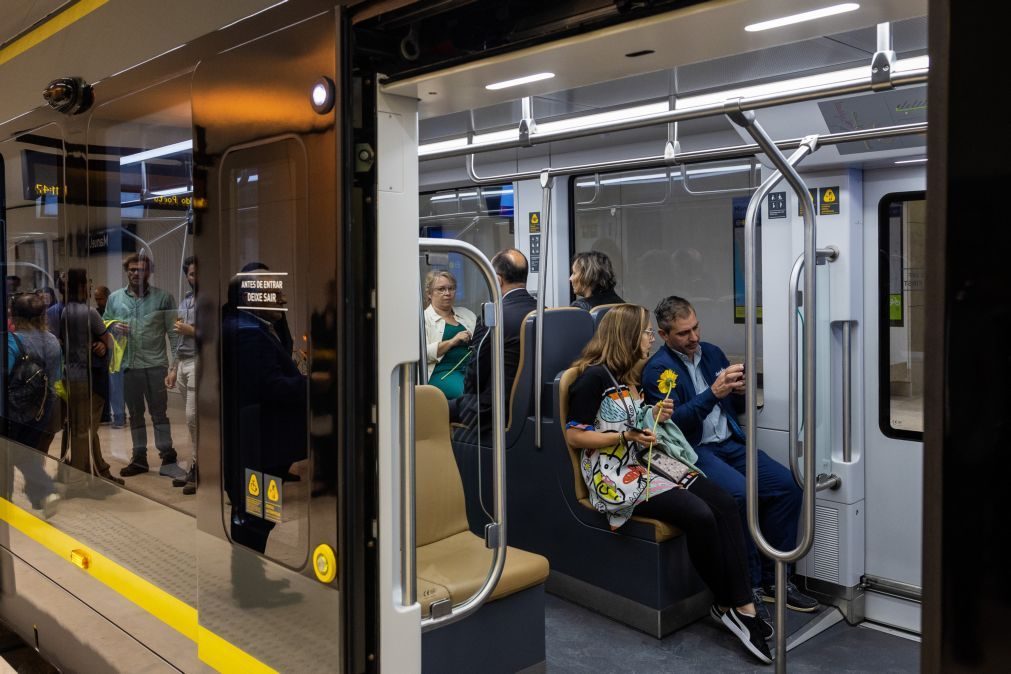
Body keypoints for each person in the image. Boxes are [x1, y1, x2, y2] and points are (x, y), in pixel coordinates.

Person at [565, 304, 771, 664]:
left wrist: (654, 416)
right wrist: (627, 435)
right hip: (614, 473)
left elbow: (637, 420)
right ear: (626, 337)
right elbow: (575, 436)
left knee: (723, 501)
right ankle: (729, 604)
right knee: (700, 515)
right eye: (644, 332)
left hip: (648, 459)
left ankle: (743, 605)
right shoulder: (592, 378)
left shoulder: (631, 375)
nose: (649, 338)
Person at [642, 295, 818, 615]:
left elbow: (733, 409)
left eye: (696, 328)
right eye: (683, 333)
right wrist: (712, 393)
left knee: (788, 486)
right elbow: (673, 427)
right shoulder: (657, 370)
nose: (694, 337)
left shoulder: (712, 353)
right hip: (696, 450)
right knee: (738, 494)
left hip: (729, 443)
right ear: (664, 335)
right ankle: (747, 585)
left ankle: (775, 580)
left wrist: (740, 392)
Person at [221, 272, 306, 554]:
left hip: (257, 440)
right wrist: (312, 382)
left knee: (258, 514)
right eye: (275, 294)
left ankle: (253, 583)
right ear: (250, 299)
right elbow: (271, 388)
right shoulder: (248, 334)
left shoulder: (253, 327)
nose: (282, 299)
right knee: (255, 517)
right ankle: (250, 589)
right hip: (260, 443)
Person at [103, 254, 184, 480]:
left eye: (141, 269)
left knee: (159, 414)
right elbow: (104, 323)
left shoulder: (163, 298)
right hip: (128, 366)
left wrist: (174, 367)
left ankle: (168, 459)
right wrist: (112, 326)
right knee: (135, 416)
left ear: (149, 272)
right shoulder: (115, 299)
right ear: (126, 271)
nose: (136, 274)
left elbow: (174, 335)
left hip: (156, 366)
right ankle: (139, 459)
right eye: (132, 269)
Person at [448, 249, 536, 438]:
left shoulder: (493, 316)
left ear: (497, 280)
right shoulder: (542, 311)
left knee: (434, 409)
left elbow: (476, 372)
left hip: (494, 408)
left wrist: (468, 399)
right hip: (533, 402)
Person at [59, 269, 123, 486]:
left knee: (85, 428)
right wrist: (104, 344)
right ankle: (79, 480)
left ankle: (100, 471)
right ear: (81, 286)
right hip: (89, 379)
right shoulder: (89, 313)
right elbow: (110, 342)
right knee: (84, 431)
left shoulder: (62, 311)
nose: (89, 287)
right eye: (87, 282)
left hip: (70, 377)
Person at [5, 292, 62, 516]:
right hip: (41, 407)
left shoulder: (11, 341)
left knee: (13, 455)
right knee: (26, 451)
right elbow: (56, 377)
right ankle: (42, 496)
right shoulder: (52, 340)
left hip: (12, 409)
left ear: (14, 315)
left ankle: (40, 492)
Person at [166, 257, 198, 494]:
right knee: (190, 424)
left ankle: (198, 468)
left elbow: (217, 334)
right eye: (191, 274)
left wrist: (192, 331)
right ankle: (194, 467)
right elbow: (179, 337)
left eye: (197, 273)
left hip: (200, 361)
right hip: (184, 361)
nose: (194, 277)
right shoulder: (186, 301)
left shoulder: (210, 301)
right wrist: (173, 367)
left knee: (192, 417)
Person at [423, 269, 476, 400]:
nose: (447, 293)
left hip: (472, 370)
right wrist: (453, 341)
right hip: (442, 373)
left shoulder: (467, 314)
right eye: (441, 289)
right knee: (469, 395)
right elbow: (422, 354)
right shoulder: (423, 319)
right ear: (429, 294)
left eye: (451, 288)